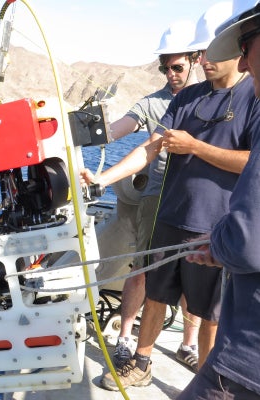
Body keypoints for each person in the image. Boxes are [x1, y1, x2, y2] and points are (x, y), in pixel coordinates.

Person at [81, 2, 257, 391]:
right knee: (156, 294)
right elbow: (150, 147)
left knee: (209, 313)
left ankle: (208, 383)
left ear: (236, 50)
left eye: (208, 51)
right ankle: (141, 363)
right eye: (198, 53)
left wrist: (195, 146)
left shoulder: (253, 98)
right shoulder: (187, 97)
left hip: (215, 228)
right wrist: (101, 179)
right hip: (171, 216)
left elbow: (251, 161)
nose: (202, 60)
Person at [106, 19, 202, 372]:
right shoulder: (152, 104)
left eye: (176, 67)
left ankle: (188, 345)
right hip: (157, 198)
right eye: (165, 68)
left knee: (195, 272)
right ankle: (125, 339)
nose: (170, 74)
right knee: (143, 268)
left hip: (196, 201)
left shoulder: (213, 99)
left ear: (197, 58)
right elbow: (118, 130)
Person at [177, 1, 260, 398]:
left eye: (245, 47)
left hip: (247, 361)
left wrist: (223, 242)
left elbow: (246, 243)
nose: (243, 64)